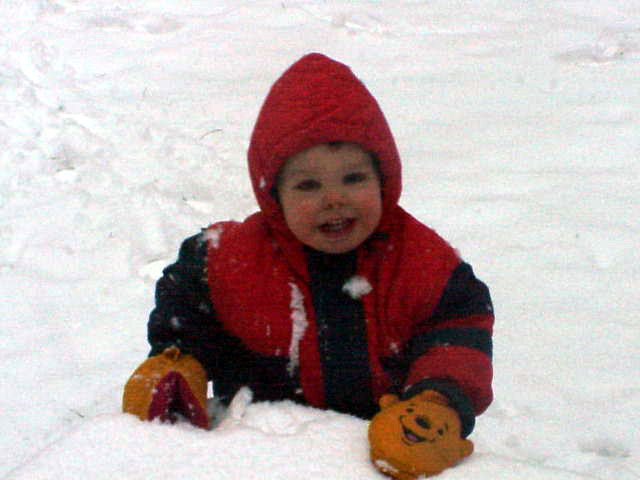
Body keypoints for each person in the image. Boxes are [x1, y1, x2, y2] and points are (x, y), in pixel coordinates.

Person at [123, 52, 493, 476]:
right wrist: (178, 359)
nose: (334, 199)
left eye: (353, 178)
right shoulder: (238, 259)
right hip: (256, 453)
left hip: (381, 451)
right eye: (308, 185)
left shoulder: (420, 263)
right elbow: (189, 296)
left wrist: (437, 398)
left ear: (384, 179)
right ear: (273, 196)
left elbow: (457, 327)